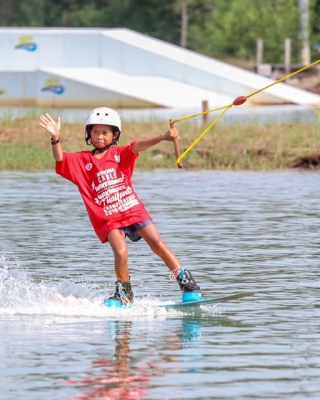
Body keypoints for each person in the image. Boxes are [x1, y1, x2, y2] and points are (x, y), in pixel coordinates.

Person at [39, 107, 201, 305]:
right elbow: (60, 158)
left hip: (132, 209)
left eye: (105, 132)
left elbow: (138, 146)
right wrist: (55, 138)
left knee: (157, 243)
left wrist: (162, 137)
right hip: (109, 218)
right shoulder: (82, 160)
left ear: (115, 135)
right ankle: (124, 293)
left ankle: (187, 285)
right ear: (89, 133)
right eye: (95, 132)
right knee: (121, 252)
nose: (99, 137)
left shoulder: (120, 153)